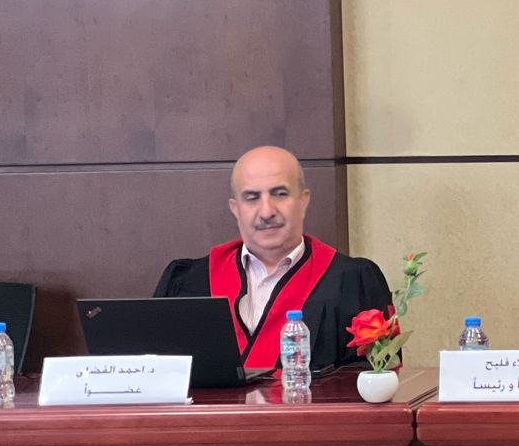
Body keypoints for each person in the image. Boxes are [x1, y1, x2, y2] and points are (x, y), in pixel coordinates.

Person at [155, 145, 392, 371]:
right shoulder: (187, 282)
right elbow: (154, 376)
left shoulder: (354, 281)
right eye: (252, 197)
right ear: (235, 209)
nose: (267, 211)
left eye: (280, 194)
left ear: (303, 201)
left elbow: (378, 378)